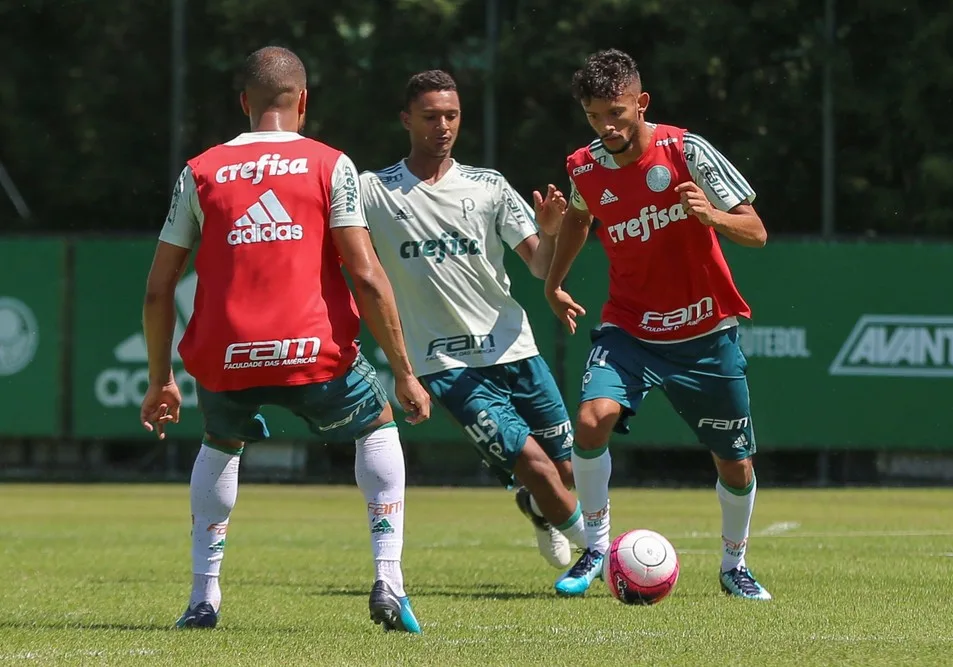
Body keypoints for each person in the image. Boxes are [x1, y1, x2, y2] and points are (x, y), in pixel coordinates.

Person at [140, 46, 431, 633]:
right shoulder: (331, 164)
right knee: (376, 425)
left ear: (244, 102)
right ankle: (389, 584)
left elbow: (158, 288)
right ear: (302, 101)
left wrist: (159, 379)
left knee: (220, 443)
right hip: (313, 351)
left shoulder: (199, 170)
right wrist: (403, 370)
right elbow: (366, 275)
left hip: (226, 354)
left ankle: (203, 598)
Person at [544, 49, 772, 600]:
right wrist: (553, 282)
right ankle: (596, 545)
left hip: (705, 331)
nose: (608, 126)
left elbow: (757, 230)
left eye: (617, 113)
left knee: (735, 464)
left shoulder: (686, 151)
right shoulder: (584, 167)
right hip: (630, 330)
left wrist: (712, 216)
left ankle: (733, 565)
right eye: (596, 115)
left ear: (641, 103)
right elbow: (578, 217)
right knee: (592, 420)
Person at [359, 70, 588, 573]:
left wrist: (549, 233)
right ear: (405, 120)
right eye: (430, 117)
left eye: (452, 116)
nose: (443, 126)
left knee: (568, 472)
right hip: (445, 362)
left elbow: (538, 265)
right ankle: (605, 555)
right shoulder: (373, 191)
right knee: (533, 465)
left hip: (515, 348)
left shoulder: (488, 186)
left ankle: (538, 508)